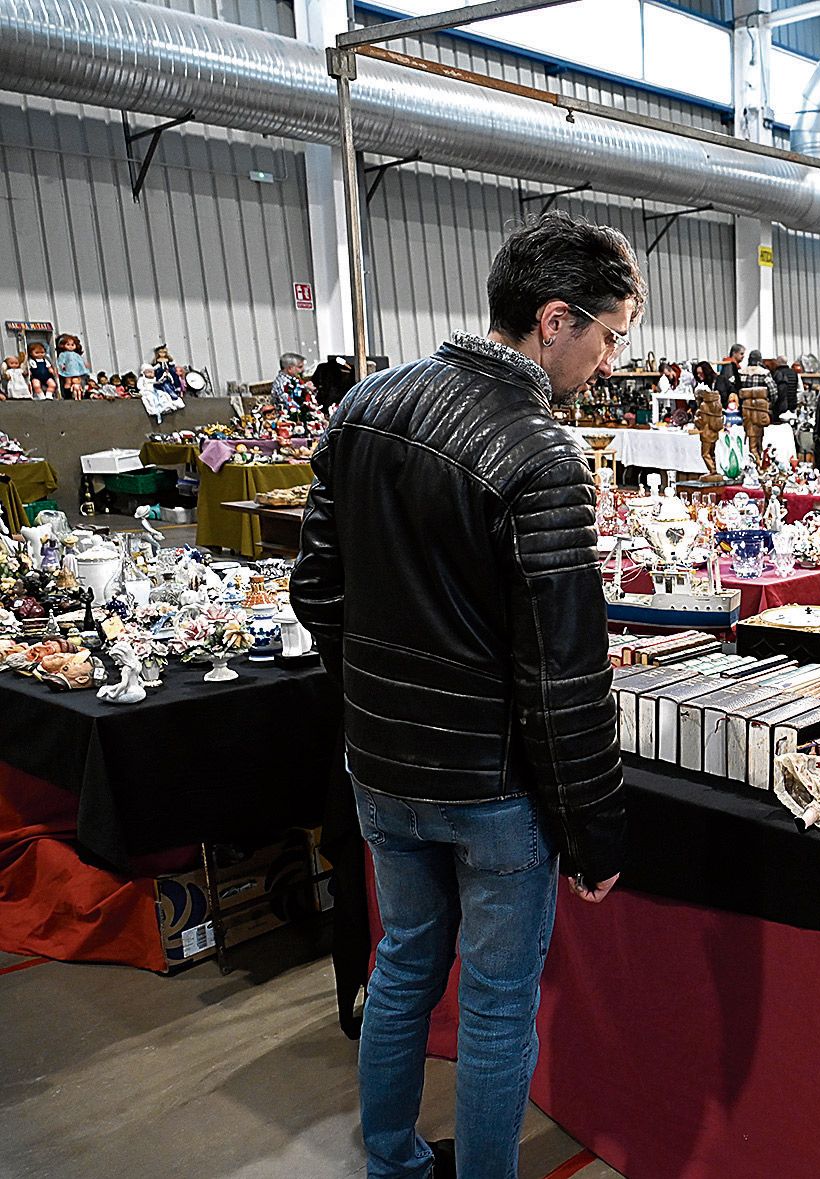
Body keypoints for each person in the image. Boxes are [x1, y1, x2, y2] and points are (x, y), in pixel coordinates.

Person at [292, 212, 641, 1179]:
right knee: (493, 1006)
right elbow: (562, 674)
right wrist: (595, 831)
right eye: (609, 334)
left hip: (381, 770)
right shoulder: (540, 454)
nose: (610, 360)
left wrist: (379, 697)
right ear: (554, 318)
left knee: (403, 964)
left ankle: (393, 1164)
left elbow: (316, 591)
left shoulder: (364, 405)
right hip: (490, 793)